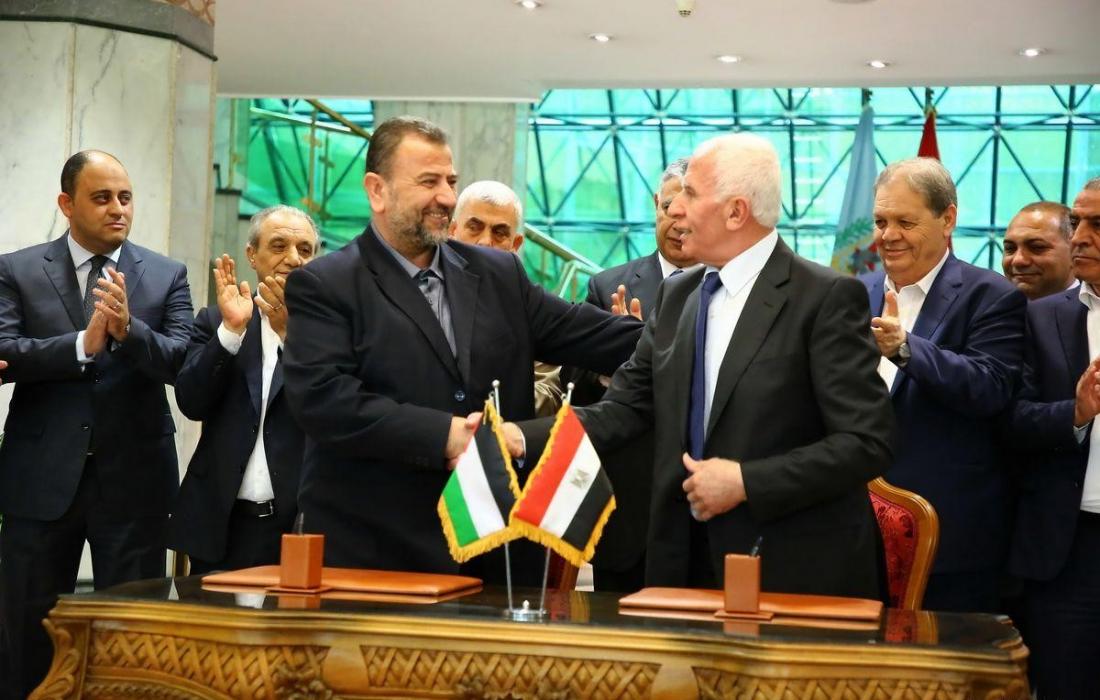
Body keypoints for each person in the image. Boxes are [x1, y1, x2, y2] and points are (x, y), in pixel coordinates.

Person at [512, 133, 894, 597]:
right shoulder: (678, 296)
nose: (675, 209)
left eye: (691, 194)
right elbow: (623, 409)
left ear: (736, 212)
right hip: (681, 561)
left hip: (791, 572)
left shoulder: (825, 298)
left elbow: (866, 442)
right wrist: (518, 437)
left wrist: (746, 482)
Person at [281, 116, 642, 582]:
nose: (447, 197)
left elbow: (593, 335)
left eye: (450, 181)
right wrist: (447, 434)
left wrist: (695, 325)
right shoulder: (325, 284)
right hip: (379, 558)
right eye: (428, 182)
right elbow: (325, 401)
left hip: (497, 559)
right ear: (377, 190)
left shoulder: (498, 274)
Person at [0, 150, 193, 698]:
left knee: (130, 636)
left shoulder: (166, 274)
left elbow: (183, 362)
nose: (118, 209)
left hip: (134, 482)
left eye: (125, 198)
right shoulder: (16, 270)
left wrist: (130, 332)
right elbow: (5, 349)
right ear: (66, 203)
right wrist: (80, 346)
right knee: (27, 631)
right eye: (102, 198)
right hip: (40, 478)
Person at [860, 157, 1026, 612]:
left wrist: (905, 349)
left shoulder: (990, 295)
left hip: (948, 537)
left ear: (947, 218)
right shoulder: (854, 292)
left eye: (905, 222)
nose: (888, 235)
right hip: (855, 532)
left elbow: (989, 387)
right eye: (881, 221)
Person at [168, 205, 319, 574]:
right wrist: (230, 333)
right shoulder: (215, 320)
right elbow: (191, 401)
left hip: (296, 527)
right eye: (279, 245)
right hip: (219, 523)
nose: (293, 258)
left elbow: (328, 407)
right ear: (252, 255)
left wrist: (289, 335)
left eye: (305, 249)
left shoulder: (330, 331)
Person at [570, 157, 697, 592]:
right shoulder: (608, 286)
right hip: (630, 512)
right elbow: (574, 385)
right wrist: (617, 354)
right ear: (655, 205)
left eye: (688, 210)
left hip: (706, 506)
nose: (678, 222)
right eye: (668, 208)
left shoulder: (729, 286)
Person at [1005, 178, 1100, 700]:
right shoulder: (1040, 318)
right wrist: (1075, 414)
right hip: (1070, 552)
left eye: (1097, 224)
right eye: (1078, 222)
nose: (1081, 236)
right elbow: (1011, 420)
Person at [448, 179, 562, 416]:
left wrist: (485, 410)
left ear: (515, 244)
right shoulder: (423, 290)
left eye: (499, 233)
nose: (485, 242)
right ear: (452, 231)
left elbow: (548, 390)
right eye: (474, 227)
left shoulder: (533, 308)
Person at [1002, 201, 1075, 300]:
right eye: (1010, 248)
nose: (1018, 260)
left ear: (1074, 250)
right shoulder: (991, 306)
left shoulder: (1092, 308)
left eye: (1037, 247)